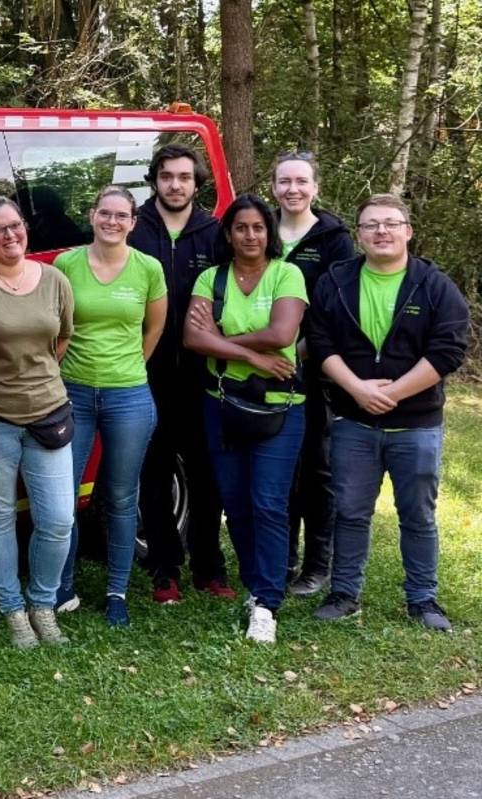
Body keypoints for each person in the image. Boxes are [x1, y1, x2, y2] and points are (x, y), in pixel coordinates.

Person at [308, 194, 471, 631]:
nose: (381, 231)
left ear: (408, 231)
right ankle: (344, 594)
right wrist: (358, 389)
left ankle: (423, 600)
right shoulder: (337, 281)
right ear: (358, 235)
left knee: (417, 514)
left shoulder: (434, 286)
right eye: (371, 225)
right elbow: (320, 342)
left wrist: (394, 392)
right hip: (353, 421)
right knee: (351, 511)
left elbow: (450, 349)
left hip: (416, 424)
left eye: (390, 223)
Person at [182, 194, 308, 643]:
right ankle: (256, 588)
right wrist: (252, 358)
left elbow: (282, 333)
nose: (250, 235)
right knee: (235, 504)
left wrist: (223, 338)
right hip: (222, 404)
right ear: (229, 234)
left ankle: (267, 603)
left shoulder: (286, 273)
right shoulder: (210, 279)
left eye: (258, 227)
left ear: (268, 233)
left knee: (268, 503)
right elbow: (194, 340)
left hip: (279, 408)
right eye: (241, 228)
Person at [0, 197, 75, 649]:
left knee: (58, 519)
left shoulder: (55, 280)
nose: (10, 235)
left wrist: (32, 378)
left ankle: (43, 604)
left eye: (16, 226)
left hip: (48, 413)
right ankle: (13, 611)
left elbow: (61, 339)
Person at [53, 186, 168, 627]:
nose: (112, 222)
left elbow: (155, 326)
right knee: (63, 496)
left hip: (129, 396)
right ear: (91, 215)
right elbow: (58, 325)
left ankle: (117, 590)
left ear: (133, 223)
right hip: (74, 393)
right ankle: (62, 585)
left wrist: (133, 364)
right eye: (105, 213)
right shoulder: (67, 263)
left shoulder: (148, 268)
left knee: (120, 497)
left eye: (122, 216)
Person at [128, 144, 235, 604]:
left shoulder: (215, 234)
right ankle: (164, 568)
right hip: (145, 373)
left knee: (207, 474)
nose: (176, 184)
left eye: (185, 177)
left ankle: (210, 568)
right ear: (154, 180)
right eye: (167, 176)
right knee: (153, 473)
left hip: (203, 377)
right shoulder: (133, 229)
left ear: (197, 183)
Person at [270, 151, 356, 597]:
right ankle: (281, 558)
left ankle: (316, 565)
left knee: (317, 470)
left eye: (301, 181)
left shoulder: (334, 239)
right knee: (279, 466)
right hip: (265, 366)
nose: (293, 190)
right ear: (273, 187)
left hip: (314, 368)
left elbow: (336, 309)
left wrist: (300, 352)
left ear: (315, 188)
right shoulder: (263, 231)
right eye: (285, 181)